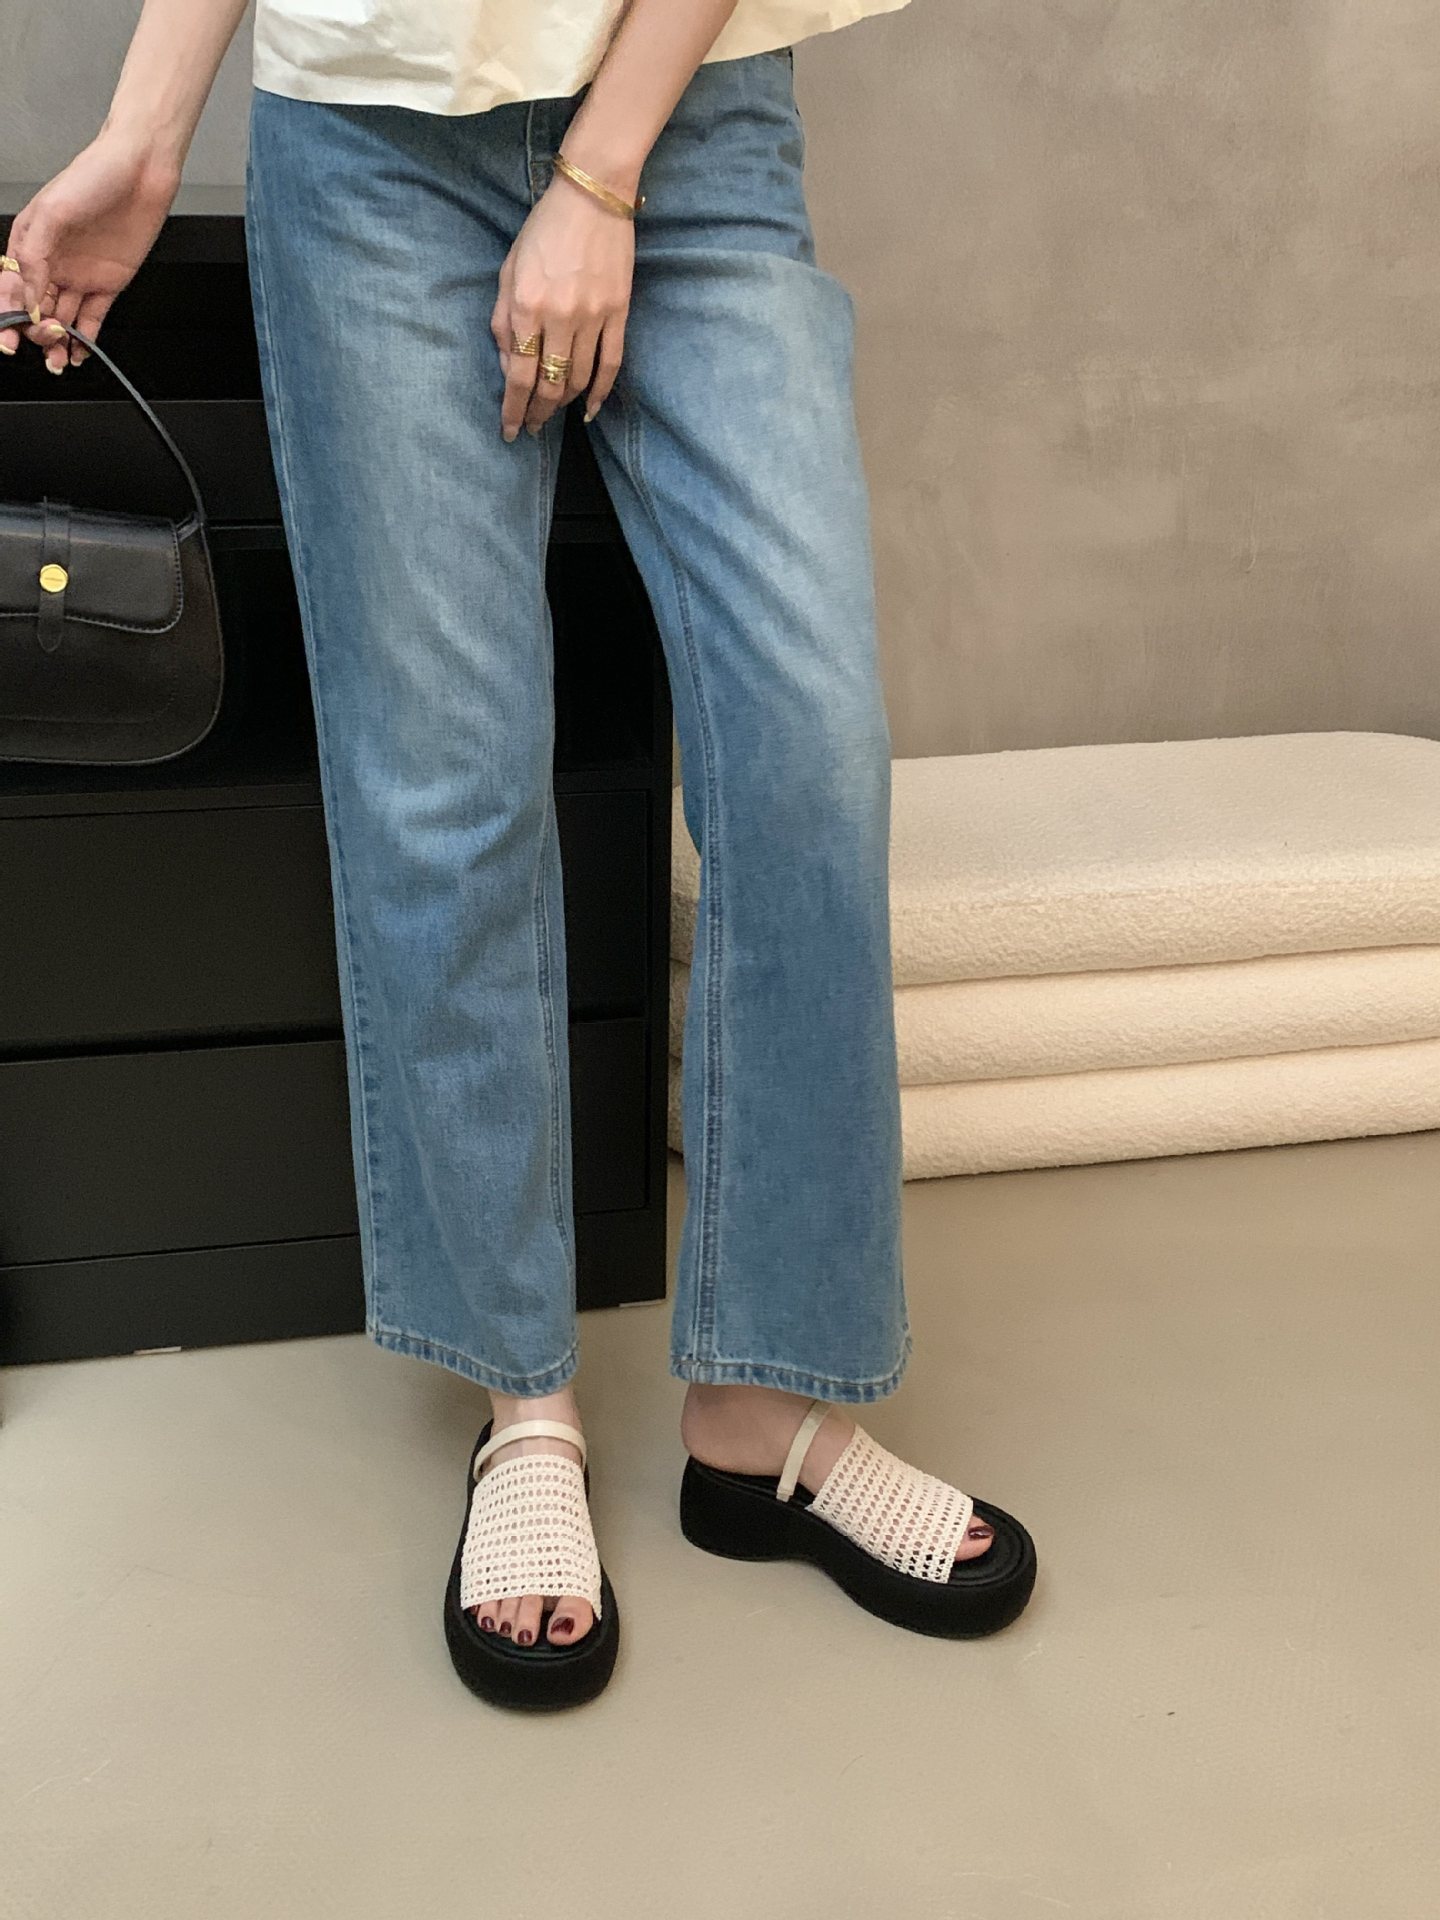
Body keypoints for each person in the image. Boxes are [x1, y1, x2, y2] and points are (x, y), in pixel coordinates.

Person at [2, 0, 1036, 1710]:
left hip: (690, 123)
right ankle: (522, 1406)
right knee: (446, 785)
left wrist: (601, 179)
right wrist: (145, 130)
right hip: (371, 147)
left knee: (809, 756)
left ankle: (765, 1411)